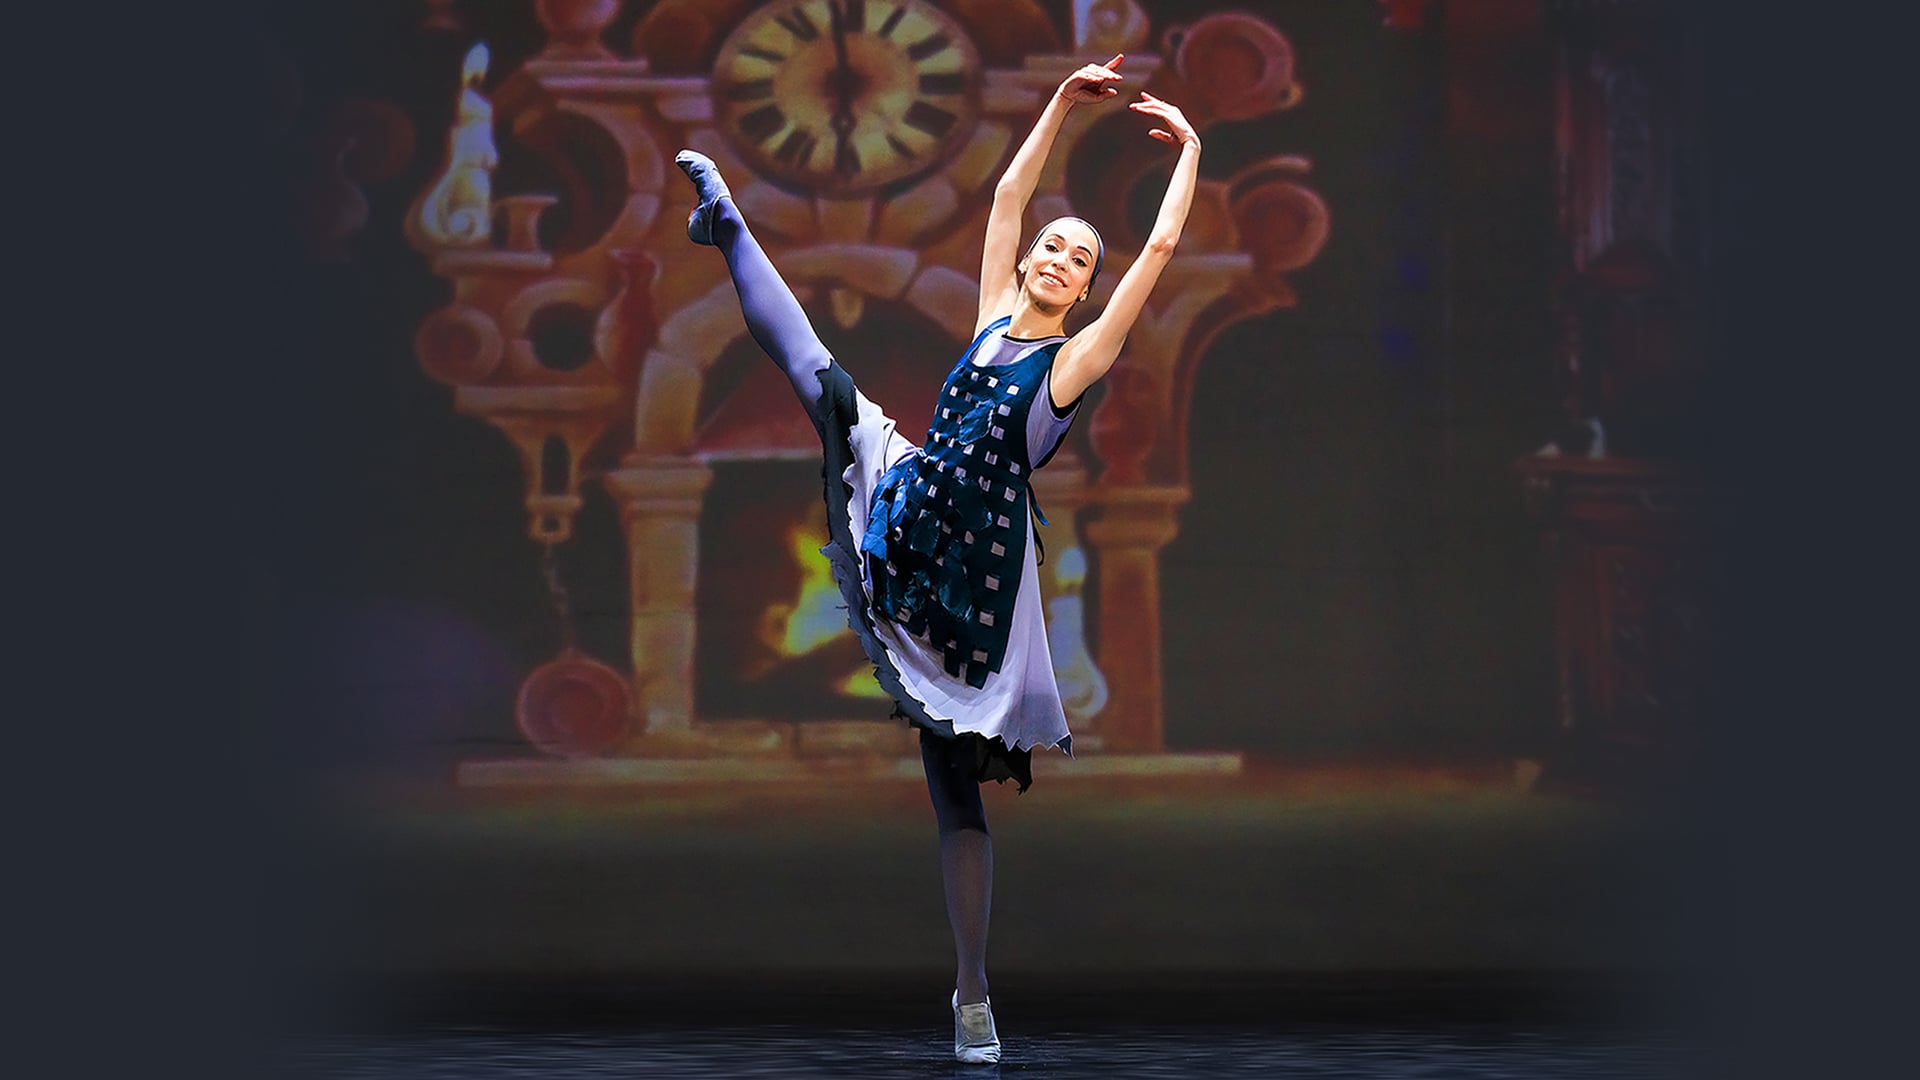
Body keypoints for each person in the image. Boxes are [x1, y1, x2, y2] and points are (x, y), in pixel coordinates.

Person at [674, 53, 1199, 1064]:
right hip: (912, 499)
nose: (1060, 260)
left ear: (1086, 291)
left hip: (976, 577)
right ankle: (727, 222)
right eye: (1052, 246)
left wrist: (1191, 154)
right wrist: (1061, 101)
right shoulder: (993, 317)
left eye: (1080, 260)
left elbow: (1164, 247)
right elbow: (1007, 195)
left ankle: (971, 992)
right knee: (817, 373)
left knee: (954, 790)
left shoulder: (1071, 361)